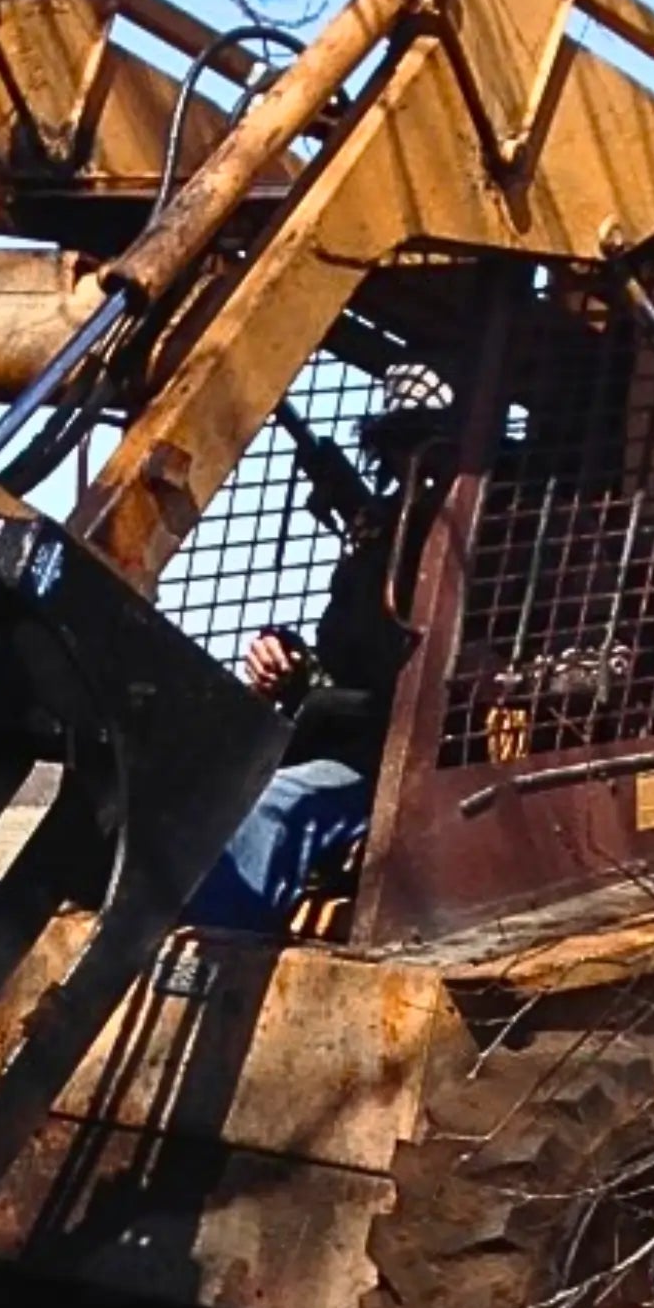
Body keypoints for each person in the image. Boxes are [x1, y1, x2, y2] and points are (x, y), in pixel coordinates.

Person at [186, 365, 454, 934]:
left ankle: (210, 968)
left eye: (423, 446)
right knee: (192, 780)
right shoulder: (376, 549)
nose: (412, 468)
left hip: (410, 761)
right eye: (399, 447)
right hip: (347, 739)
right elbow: (340, 662)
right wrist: (284, 661)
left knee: (275, 804)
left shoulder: (477, 548)